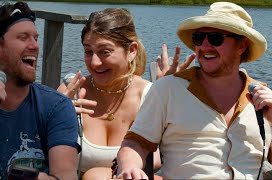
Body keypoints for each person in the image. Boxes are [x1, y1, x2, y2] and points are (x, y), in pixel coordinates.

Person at [116, 2, 272, 179]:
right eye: (199, 38)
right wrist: (130, 167)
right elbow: (136, 142)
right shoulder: (167, 89)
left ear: (241, 46)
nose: (204, 46)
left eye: (215, 38)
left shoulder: (263, 98)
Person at [57, 8, 195, 179]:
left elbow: (173, 156)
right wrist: (55, 116)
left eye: (104, 52)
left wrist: (168, 95)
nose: (94, 62)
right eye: (88, 51)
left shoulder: (152, 95)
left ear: (131, 51)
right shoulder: (70, 93)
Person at [0, 2, 80, 180]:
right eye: (23, 37)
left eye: (36, 38)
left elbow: (66, 176)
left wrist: (37, 178)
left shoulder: (56, 107)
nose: (35, 46)